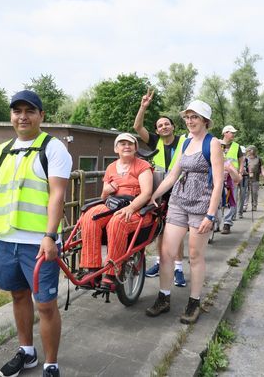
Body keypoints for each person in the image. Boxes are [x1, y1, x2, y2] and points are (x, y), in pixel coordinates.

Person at [0, 90, 71, 377]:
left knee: (45, 305)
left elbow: (57, 194)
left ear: (41, 116)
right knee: (18, 297)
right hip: (6, 240)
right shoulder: (3, 150)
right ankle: (27, 352)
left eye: (29, 111)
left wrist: (50, 235)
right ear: (11, 115)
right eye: (17, 111)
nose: (22, 116)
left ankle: (51, 364)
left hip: (38, 243)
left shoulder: (54, 148)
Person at [145, 100, 224, 324]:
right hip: (179, 201)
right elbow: (172, 175)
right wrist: (154, 195)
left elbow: (218, 182)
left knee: (195, 255)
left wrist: (210, 214)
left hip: (201, 205)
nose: (190, 121)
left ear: (205, 120)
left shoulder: (214, 144)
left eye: (195, 117)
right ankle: (164, 297)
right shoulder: (185, 143)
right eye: (187, 117)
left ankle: (194, 302)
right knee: (167, 252)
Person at [77, 133, 154, 289]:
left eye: (130, 144)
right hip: (113, 203)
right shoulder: (111, 167)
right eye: (122, 143)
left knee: (117, 222)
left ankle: (113, 274)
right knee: (89, 216)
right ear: (116, 148)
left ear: (135, 148)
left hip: (136, 205)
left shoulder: (142, 166)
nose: (126, 146)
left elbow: (146, 194)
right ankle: (93, 270)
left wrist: (131, 208)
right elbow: (103, 196)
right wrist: (106, 191)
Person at [133, 87, 187, 287]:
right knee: (159, 229)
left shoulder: (183, 141)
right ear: (156, 130)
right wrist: (143, 106)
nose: (164, 127)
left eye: (167, 124)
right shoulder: (154, 141)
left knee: (177, 231)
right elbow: (137, 126)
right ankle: (158, 263)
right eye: (160, 125)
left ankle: (179, 268)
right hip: (159, 191)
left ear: (173, 126)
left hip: (179, 190)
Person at [219, 125, 244, 234]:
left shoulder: (236, 146)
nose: (233, 134)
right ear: (225, 133)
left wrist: (240, 173)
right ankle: (215, 223)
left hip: (232, 178)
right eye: (231, 132)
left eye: (234, 132)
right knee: (217, 200)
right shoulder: (217, 144)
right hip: (218, 176)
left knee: (231, 199)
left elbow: (241, 161)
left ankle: (227, 223)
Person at [245, 145, 264, 211]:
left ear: (253, 151)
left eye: (249, 150)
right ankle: (245, 206)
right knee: (246, 192)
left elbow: (262, 168)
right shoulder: (245, 158)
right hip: (246, 178)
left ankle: (254, 205)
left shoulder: (258, 159)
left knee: (254, 192)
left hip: (255, 178)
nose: (248, 151)